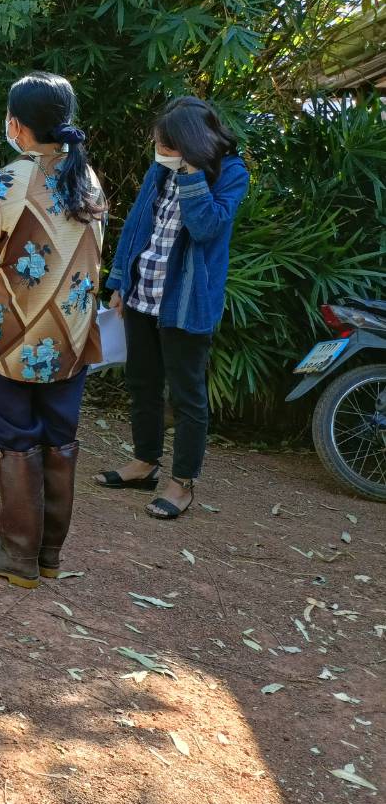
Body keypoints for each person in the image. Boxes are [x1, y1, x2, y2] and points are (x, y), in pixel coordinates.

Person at [0, 73, 107, 586]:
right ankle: (48, 556)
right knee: (59, 439)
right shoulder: (89, 182)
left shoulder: (3, 185)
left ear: (16, 125)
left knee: (14, 437)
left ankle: (17, 556)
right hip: (71, 336)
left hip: (12, 338)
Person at [96, 97, 249, 520]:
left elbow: (207, 228)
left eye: (165, 144)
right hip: (143, 292)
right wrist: (119, 281)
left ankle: (182, 483)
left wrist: (192, 175)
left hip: (185, 302)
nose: (158, 150)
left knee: (187, 396)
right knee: (141, 382)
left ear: (190, 144)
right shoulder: (160, 169)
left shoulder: (231, 173)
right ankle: (145, 462)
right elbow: (137, 223)